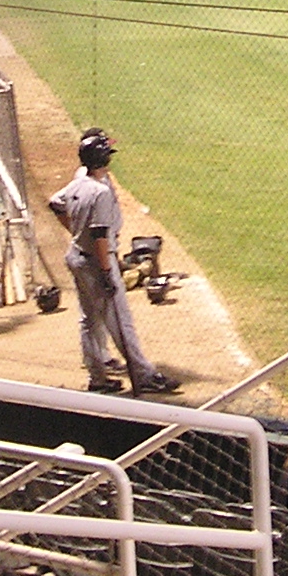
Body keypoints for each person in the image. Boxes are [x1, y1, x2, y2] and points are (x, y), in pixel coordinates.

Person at [47, 129, 178, 395]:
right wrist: (107, 270)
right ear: (102, 158)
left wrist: (75, 231)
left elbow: (56, 204)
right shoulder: (99, 191)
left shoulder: (78, 183)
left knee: (89, 319)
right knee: (120, 322)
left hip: (77, 256)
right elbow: (98, 233)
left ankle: (98, 378)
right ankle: (143, 375)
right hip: (97, 261)